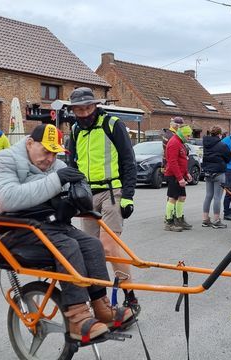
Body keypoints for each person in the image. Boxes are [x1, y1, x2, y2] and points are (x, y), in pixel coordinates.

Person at [0, 123, 133, 342]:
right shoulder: (3, 160)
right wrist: (57, 181)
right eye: (45, 151)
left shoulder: (54, 164)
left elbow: (65, 189)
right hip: (12, 226)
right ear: (29, 143)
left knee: (92, 245)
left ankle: (101, 305)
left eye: (54, 153)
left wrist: (73, 201)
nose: (50, 158)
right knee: (68, 246)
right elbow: (8, 198)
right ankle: (77, 317)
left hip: (46, 222)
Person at [66, 87, 140, 312]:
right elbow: (72, 164)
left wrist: (128, 195)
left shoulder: (112, 124)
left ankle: (131, 296)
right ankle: (100, 300)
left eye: (87, 108)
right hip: (87, 196)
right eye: (79, 110)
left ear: (95, 106)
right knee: (90, 249)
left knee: (108, 247)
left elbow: (128, 160)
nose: (84, 113)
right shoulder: (76, 130)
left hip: (112, 192)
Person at [164, 125, 193, 231]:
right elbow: (172, 162)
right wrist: (180, 178)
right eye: (188, 135)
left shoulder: (180, 143)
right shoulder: (174, 143)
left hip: (179, 175)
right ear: (182, 134)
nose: (189, 137)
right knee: (173, 198)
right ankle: (169, 222)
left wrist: (186, 173)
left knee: (182, 197)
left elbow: (182, 160)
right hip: (173, 175)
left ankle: (179, 219)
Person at [201, 126, 231, 229]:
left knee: (208, 195)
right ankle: (216, 220)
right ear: (220, 134)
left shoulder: (206, 144)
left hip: (208, 172)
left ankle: (205, 219)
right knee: (217, 197)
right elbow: (228, 158)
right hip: (218, 173)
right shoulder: (222, 145)